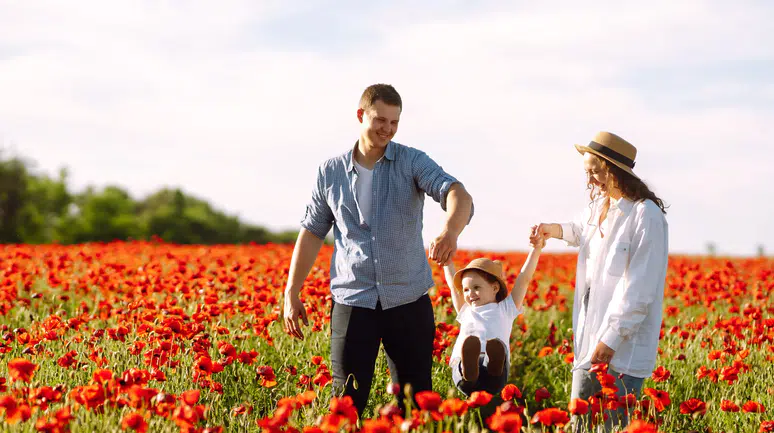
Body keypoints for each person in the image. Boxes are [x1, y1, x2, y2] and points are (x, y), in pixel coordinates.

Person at [282, 83, 474, 417]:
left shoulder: (412, 161)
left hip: (408, 300)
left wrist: (449, 231)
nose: (387, 128)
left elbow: (457, 193)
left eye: (394, 122)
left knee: (415, 405)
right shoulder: (330, 172)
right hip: (353, 301)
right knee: (345, 403)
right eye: (380, 120)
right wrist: (292, 290)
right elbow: (312, 231)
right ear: (361, 115)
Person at [535, 131, 669, 432]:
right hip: (590, 337)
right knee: (580, 423)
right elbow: (580, 230)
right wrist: (551, 230)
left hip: (620, 349)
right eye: (587, 173)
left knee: (611, 425)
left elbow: (640, 290)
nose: (589, 181)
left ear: (614, 170)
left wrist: (610, 340)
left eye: (594, 172)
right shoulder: (602, 207)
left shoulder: (645, 216)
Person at [442, 229, 543, 397]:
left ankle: (493, 364)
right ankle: (469, 369)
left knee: (496, 351)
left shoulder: (506, 308)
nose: (469, 294)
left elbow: (524, 278)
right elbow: (453, 286)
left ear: (495, 288)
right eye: (466, 290)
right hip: (464, 373)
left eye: (476, 288)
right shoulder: (466, 310)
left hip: (495, 378)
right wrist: (446, 262)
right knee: (468, 364)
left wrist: (536, 249)